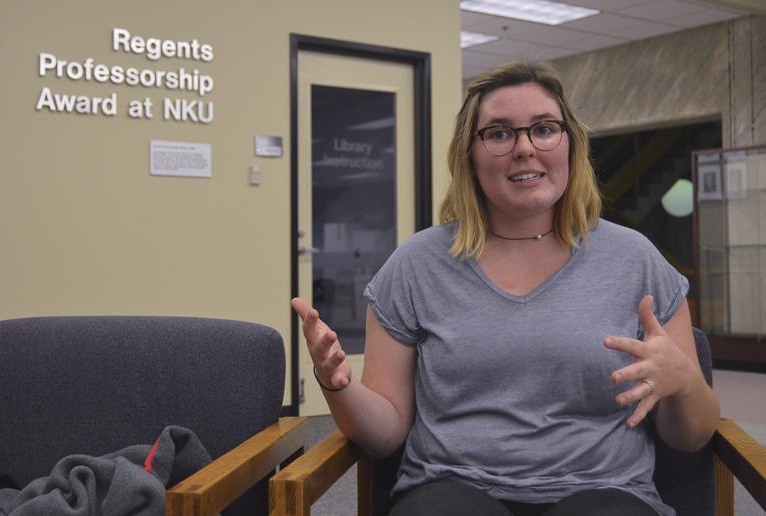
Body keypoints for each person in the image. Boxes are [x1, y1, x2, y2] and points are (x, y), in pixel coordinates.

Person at [291, 61, 719, 516]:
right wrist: (337, 386)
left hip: (605, 491)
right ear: (469, 156)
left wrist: (684, 382)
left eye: (544, 129)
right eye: (499, 133)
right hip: (450, 488)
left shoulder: (636, 259)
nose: (525, 148)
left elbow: (690, 437)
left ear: (569, 144)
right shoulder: (415, 266)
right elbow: (386, 435)